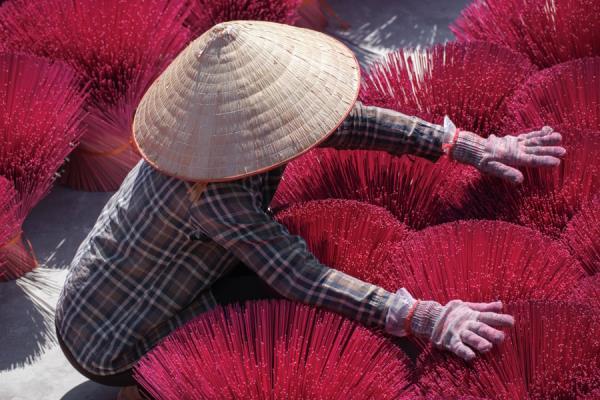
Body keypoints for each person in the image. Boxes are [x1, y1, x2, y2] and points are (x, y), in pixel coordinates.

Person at [55, 21, 565, 400]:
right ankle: (152, 382)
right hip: (113, 339)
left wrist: (465, 145)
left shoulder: (221, 134)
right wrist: (422, 316)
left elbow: (349, 123)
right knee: (285, 298)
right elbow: (303, 278)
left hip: (111, 288)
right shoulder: (214, 192)